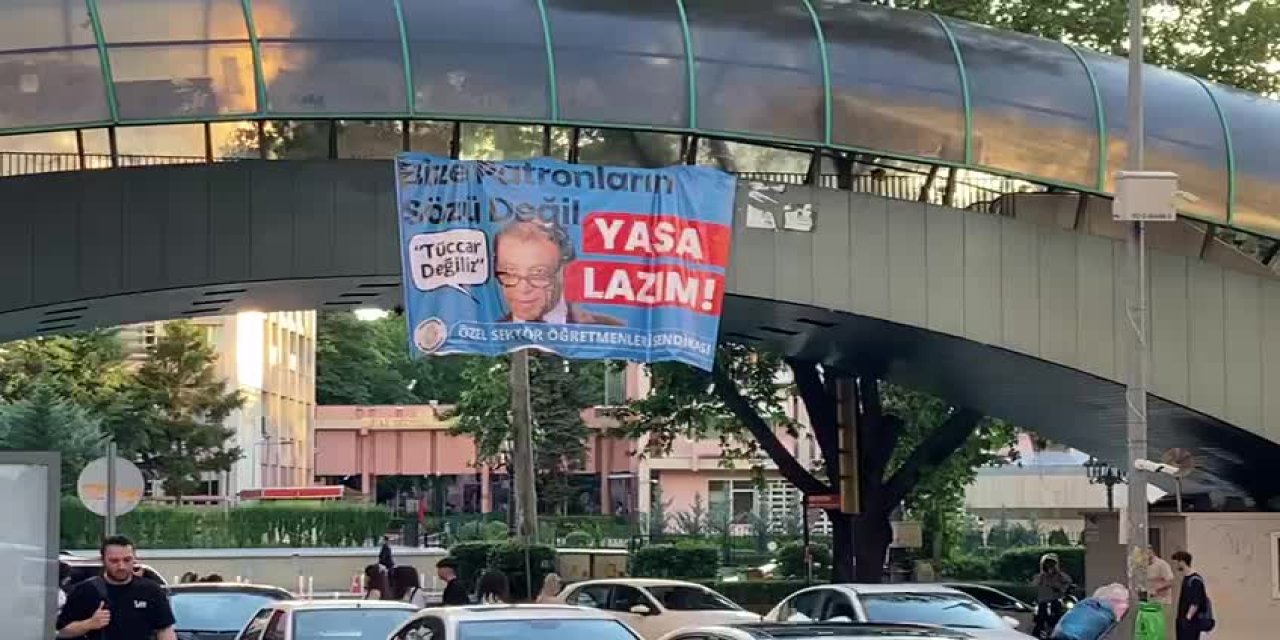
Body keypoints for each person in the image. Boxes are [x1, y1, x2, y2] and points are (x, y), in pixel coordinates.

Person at [493, 220, 622, 326]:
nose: (523, 288)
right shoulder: (489, 335)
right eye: (510, 273)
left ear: (565, 271)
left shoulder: (610, 330)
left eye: (538, 273)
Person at [56, 535, 177, 640]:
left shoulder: (151, 590)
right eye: (114, 561)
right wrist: (89, 624)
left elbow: (165, 630)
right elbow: (61, 631)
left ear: (135, 559)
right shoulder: (85, 591)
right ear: (103, 560)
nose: (121, 566)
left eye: (127, 560)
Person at [1173, 551, 1213, 640]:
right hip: (1184, 621)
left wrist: (1188, 617)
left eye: (1177, 562)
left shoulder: (1195, 580)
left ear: (1182, 562)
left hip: (1191, 622)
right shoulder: (1186, 578)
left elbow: (1195, 602)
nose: (1176, 565)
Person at [1031, 553, 1073, 637]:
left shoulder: (1060, 576)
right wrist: (1043, 577)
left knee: (1058, 616)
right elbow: (1034, 584)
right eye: (1047, 563)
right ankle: (1037, 633)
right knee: (1040, 619)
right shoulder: (1041, 576)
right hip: (1043, 601)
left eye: (1052, 563)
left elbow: (1068, 582)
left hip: (1055, 599)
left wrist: (1061, 588)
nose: (1049, 565)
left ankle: (1056, 631)